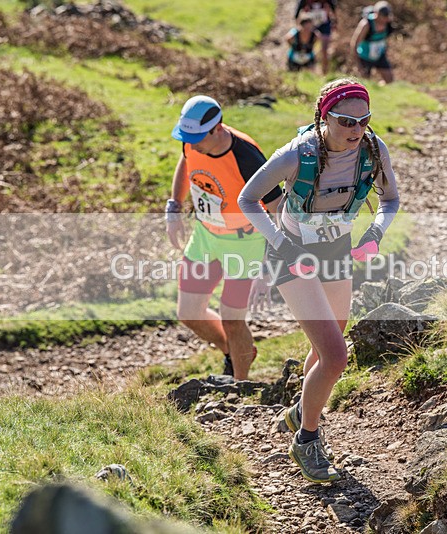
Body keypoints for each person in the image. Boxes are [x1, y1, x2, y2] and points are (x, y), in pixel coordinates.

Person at [238, 79, 400, 483]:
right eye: (346, 121)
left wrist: (375, 234)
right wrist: (280, 243)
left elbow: (390, 200)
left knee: (324, 348)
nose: (356, 129)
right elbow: (247, 198)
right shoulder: (297, 153)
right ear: (324, 118)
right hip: (291, 255)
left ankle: (298, 412)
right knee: (336, 355)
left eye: (363, 121)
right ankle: (307, 439)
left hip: (336, 252)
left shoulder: (373, 150)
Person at [167, 95, 282, 380]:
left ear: (217, 129)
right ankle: (234, 351)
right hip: (206, 235)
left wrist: (269, 265)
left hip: (246, 242)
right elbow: (186, 161)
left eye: (197, 138)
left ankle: (240, 387)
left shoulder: (247, 157)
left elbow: (279, 210)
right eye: (187, 137)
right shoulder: (192, 139)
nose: (191, 144)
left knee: (233, 319)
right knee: (189, 312)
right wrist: (174, 206)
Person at [351, 1, 395, 85]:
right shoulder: (366, 24)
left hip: (379, 55)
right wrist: (358, 64)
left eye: (387, 16)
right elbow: (355, 43)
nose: (385, 19)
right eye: (383, 16)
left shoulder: (388, 23)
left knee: (389, 80)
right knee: (365, 83)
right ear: (376, 13)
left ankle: (378, 88)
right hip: (365, 57)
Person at [294, 0, 337, 74]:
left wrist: (335, 22)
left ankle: (325, 72)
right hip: (310, 25)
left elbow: (333, 10)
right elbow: (297, 14)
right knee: (308, 48)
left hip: (324, 24)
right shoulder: (304, 1)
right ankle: (308, 69)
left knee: (324, 50)